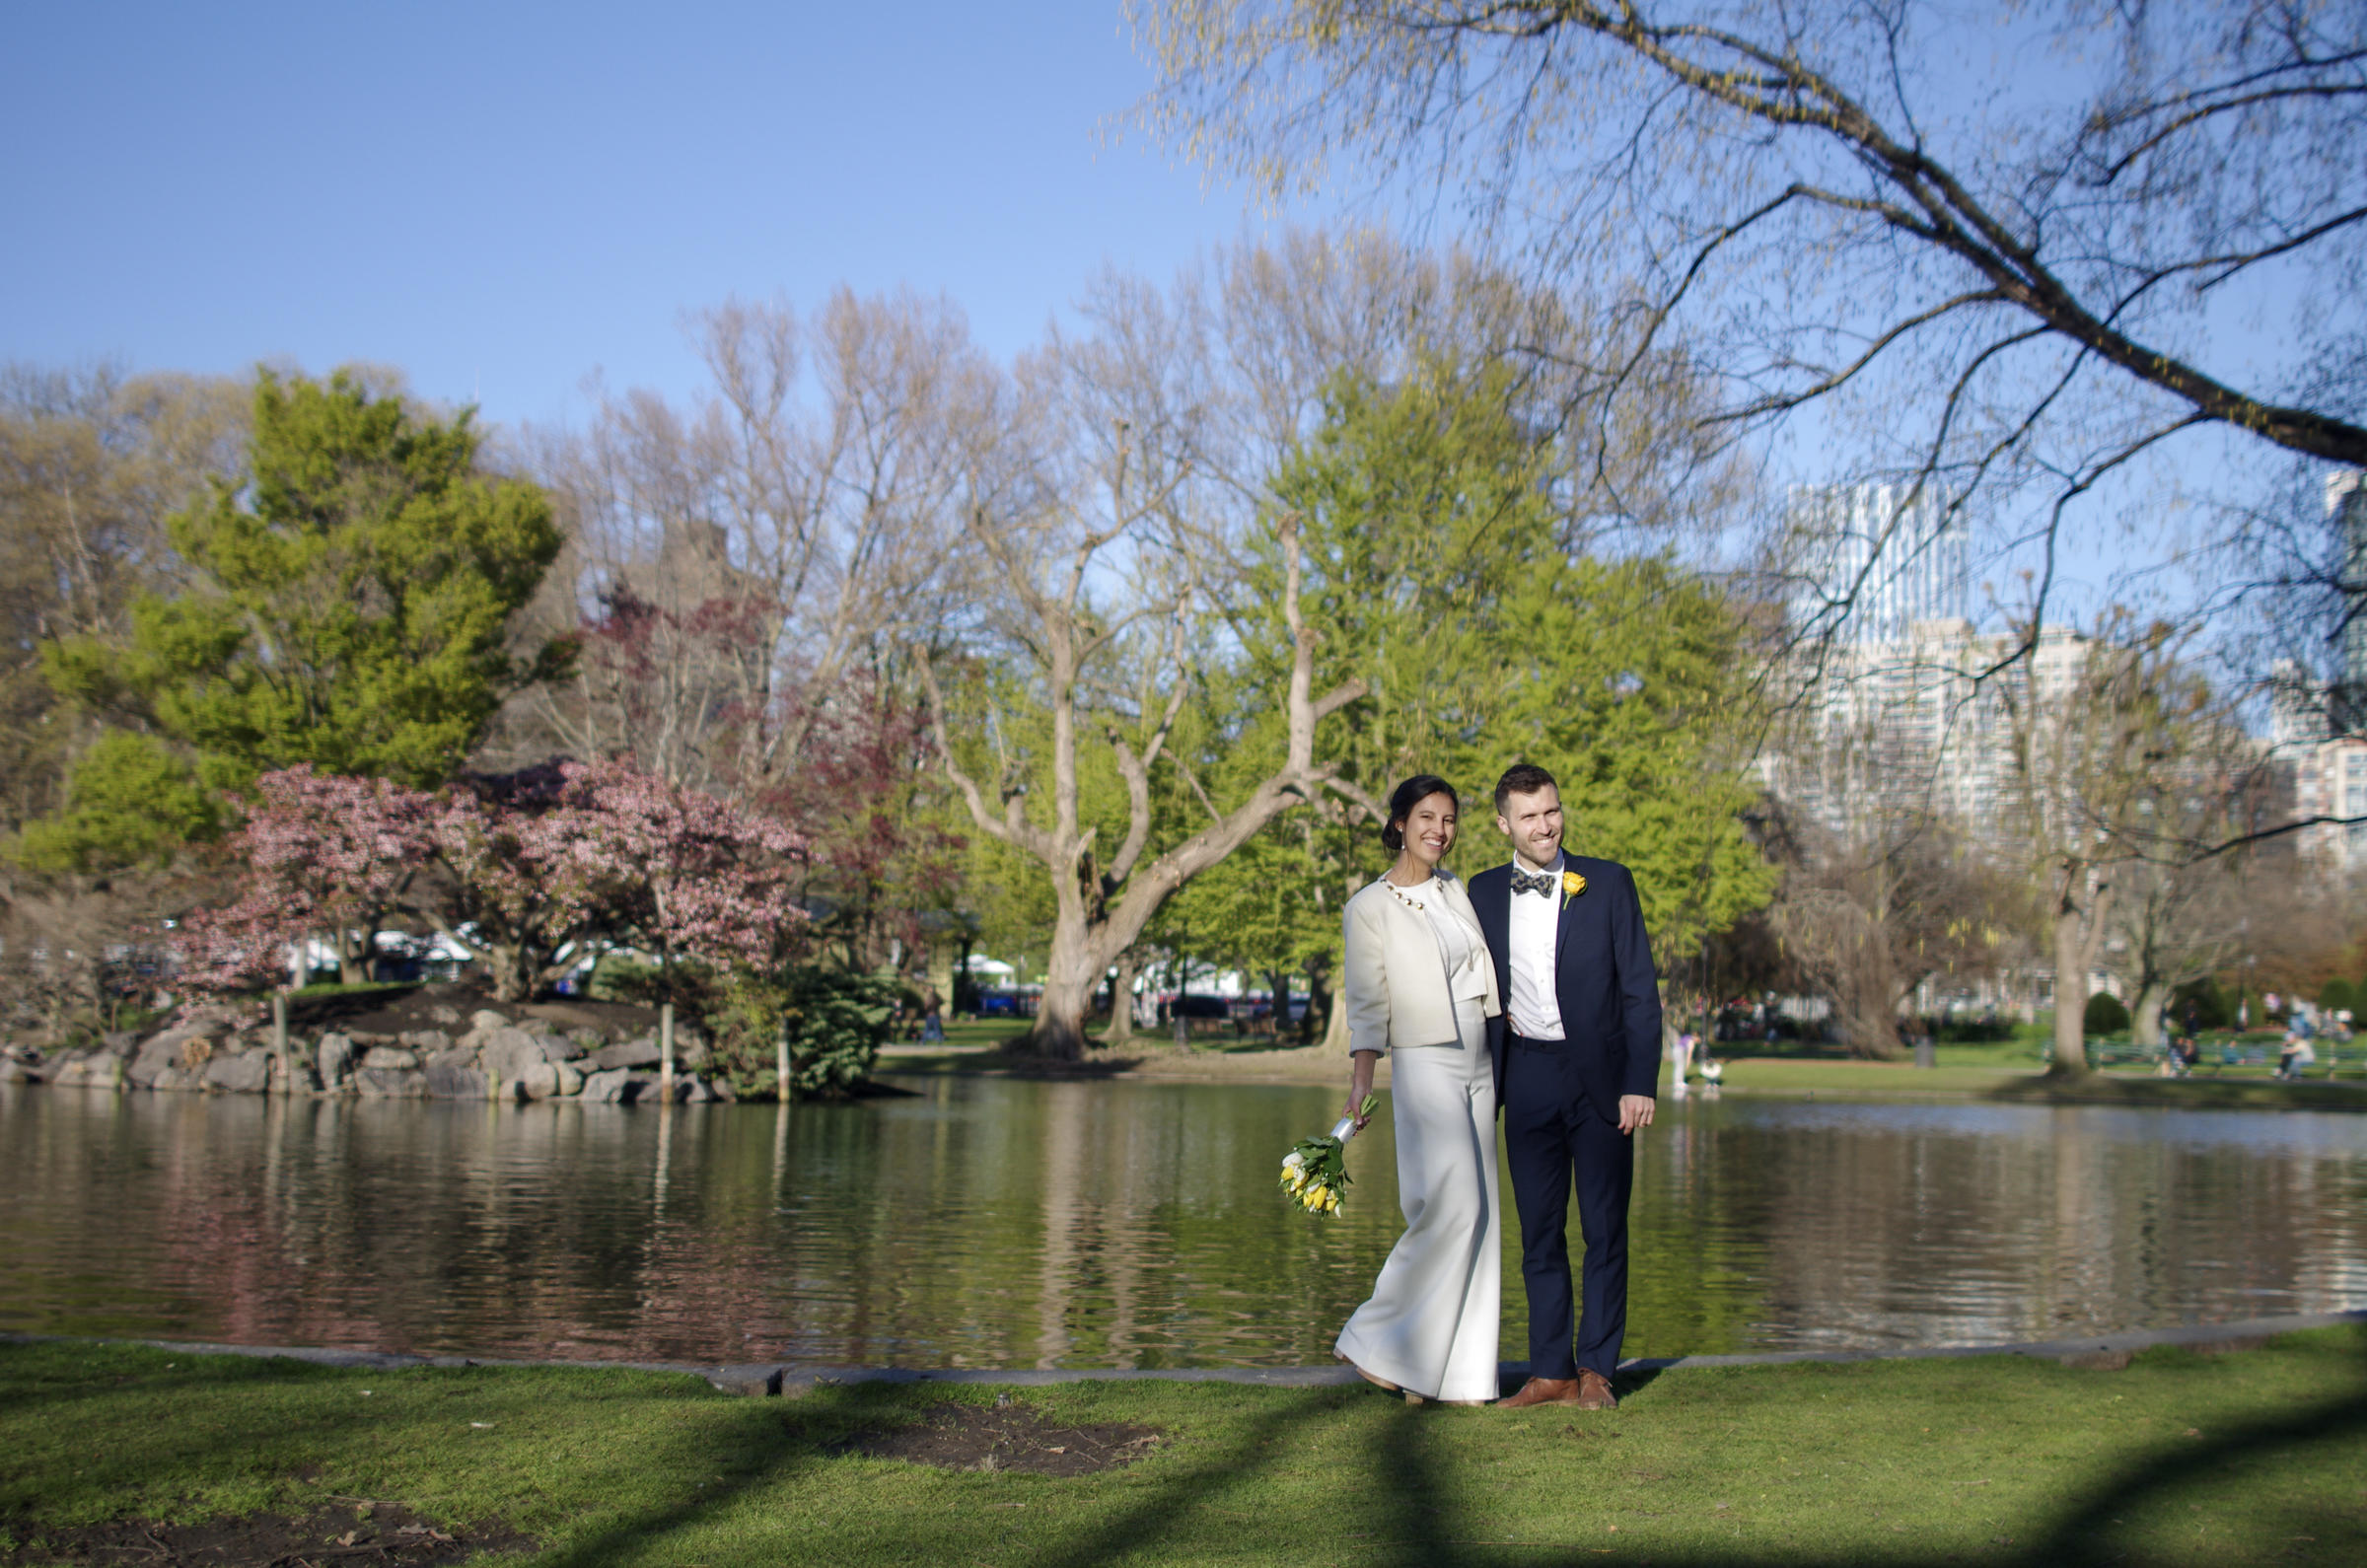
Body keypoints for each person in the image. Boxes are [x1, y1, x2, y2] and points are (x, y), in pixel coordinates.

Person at [1470, 762, 1662, 1412]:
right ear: (1505, 825)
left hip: (1603, 1081)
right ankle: (1550, 1371)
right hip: (1525, 1074)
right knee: (1539, 1233)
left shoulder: (1608, 882)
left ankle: (1597, 1371)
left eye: (1551, 810)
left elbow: (1639, 989)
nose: (1545, 825)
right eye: (1529, 816)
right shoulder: (1482, 892)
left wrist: (1639, 1082)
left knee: (1604, 1230)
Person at [1334, 775, 1506, 1406]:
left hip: (1479, 1058)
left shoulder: (1454, 890)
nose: (1440, 830)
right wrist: (1361, 1083)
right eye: (1428, 817)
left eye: (1450, 819)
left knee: (1483, 1214)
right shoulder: (1368, 907)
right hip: (1425, 1058)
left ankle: (1457, 1376)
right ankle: (1374, 1340)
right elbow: (1367, 1004)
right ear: (1401, 823)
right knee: (1451, 1207)